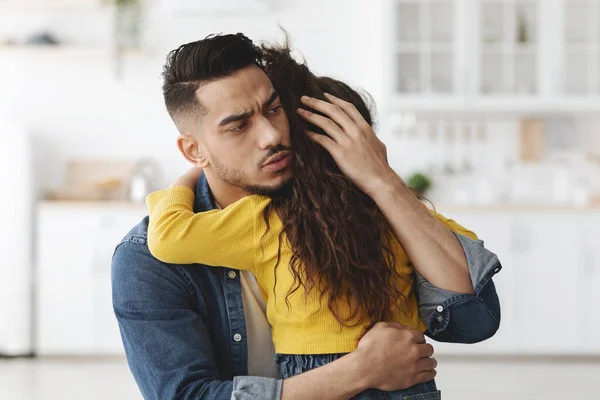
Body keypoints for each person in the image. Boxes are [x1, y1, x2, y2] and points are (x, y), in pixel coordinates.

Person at [112, 33, 502, 400]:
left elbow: (474, 320)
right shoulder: (145, 260)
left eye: (274, 109)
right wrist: (359, 371)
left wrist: (382, 181)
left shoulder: (356, 210)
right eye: (238, 126)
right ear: (195, 150)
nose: (270, 136)